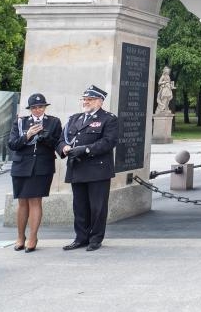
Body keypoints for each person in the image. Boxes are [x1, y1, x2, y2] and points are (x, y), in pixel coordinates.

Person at [58, 85, 119, 251]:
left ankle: (95, 238)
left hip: (97, 170)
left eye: (89, 99)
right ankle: (80, 237)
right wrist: (63, 148)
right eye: (84, 99)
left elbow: (108, 142)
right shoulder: (74, 118)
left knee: (97, 207)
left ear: (99, 102)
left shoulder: (108, 119)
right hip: (76, 168)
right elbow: (62, 139)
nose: (85, 102)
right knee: (79, 206)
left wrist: (86, 149)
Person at [7, 93, 63, 252]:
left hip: (41, 166)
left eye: (41, 107)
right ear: (30, 109)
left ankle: (32, 237)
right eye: (34, 107)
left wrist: (46, 137)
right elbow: (12, 144)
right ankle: (20, 236)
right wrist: (28, 135)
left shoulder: (53, 122)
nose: (38, 110)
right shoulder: (20, 122)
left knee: (35, 201)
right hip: (21, 165)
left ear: (45, 107)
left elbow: (57, 144)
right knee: (22, 201)